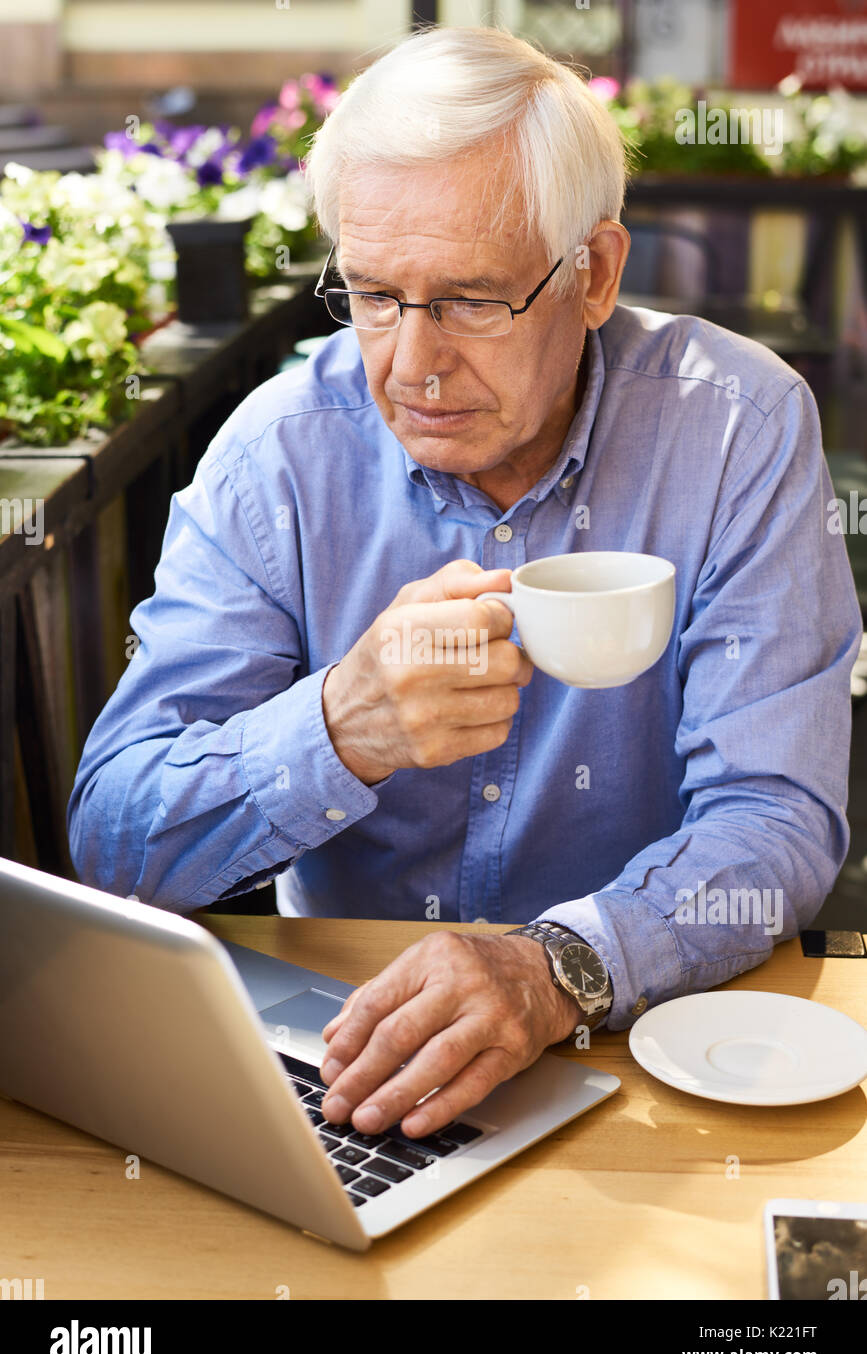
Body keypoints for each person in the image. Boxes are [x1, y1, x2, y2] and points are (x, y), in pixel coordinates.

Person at [68, 26, 861, 1142]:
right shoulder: (281, 455)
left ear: (593, 274)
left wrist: (557, 970)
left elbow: (775, 816)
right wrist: (338, 728)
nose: (412, 363)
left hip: (646, 1042)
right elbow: (114, 841)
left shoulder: (734, 426)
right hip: (354, 1047)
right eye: (377, 295)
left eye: (471, 301)